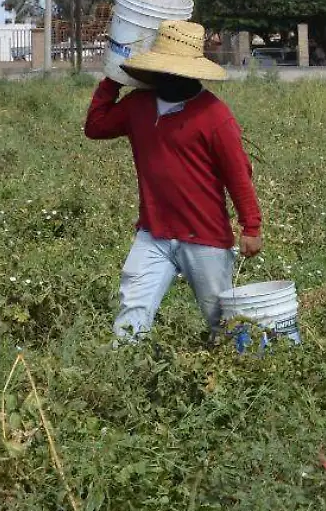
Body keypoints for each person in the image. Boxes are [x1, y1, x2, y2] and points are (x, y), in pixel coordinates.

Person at [84, 19, 263, 340]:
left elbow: (238, 174)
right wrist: (113, 79)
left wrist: (251, 227)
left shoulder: (214, 115)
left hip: (205, 237)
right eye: (164, 68)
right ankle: (124, 377)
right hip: (153, 234)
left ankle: (234, 375)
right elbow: (96, 126)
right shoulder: (138, 106)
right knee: (132, 311)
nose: (169, 76)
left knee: (221, 323)